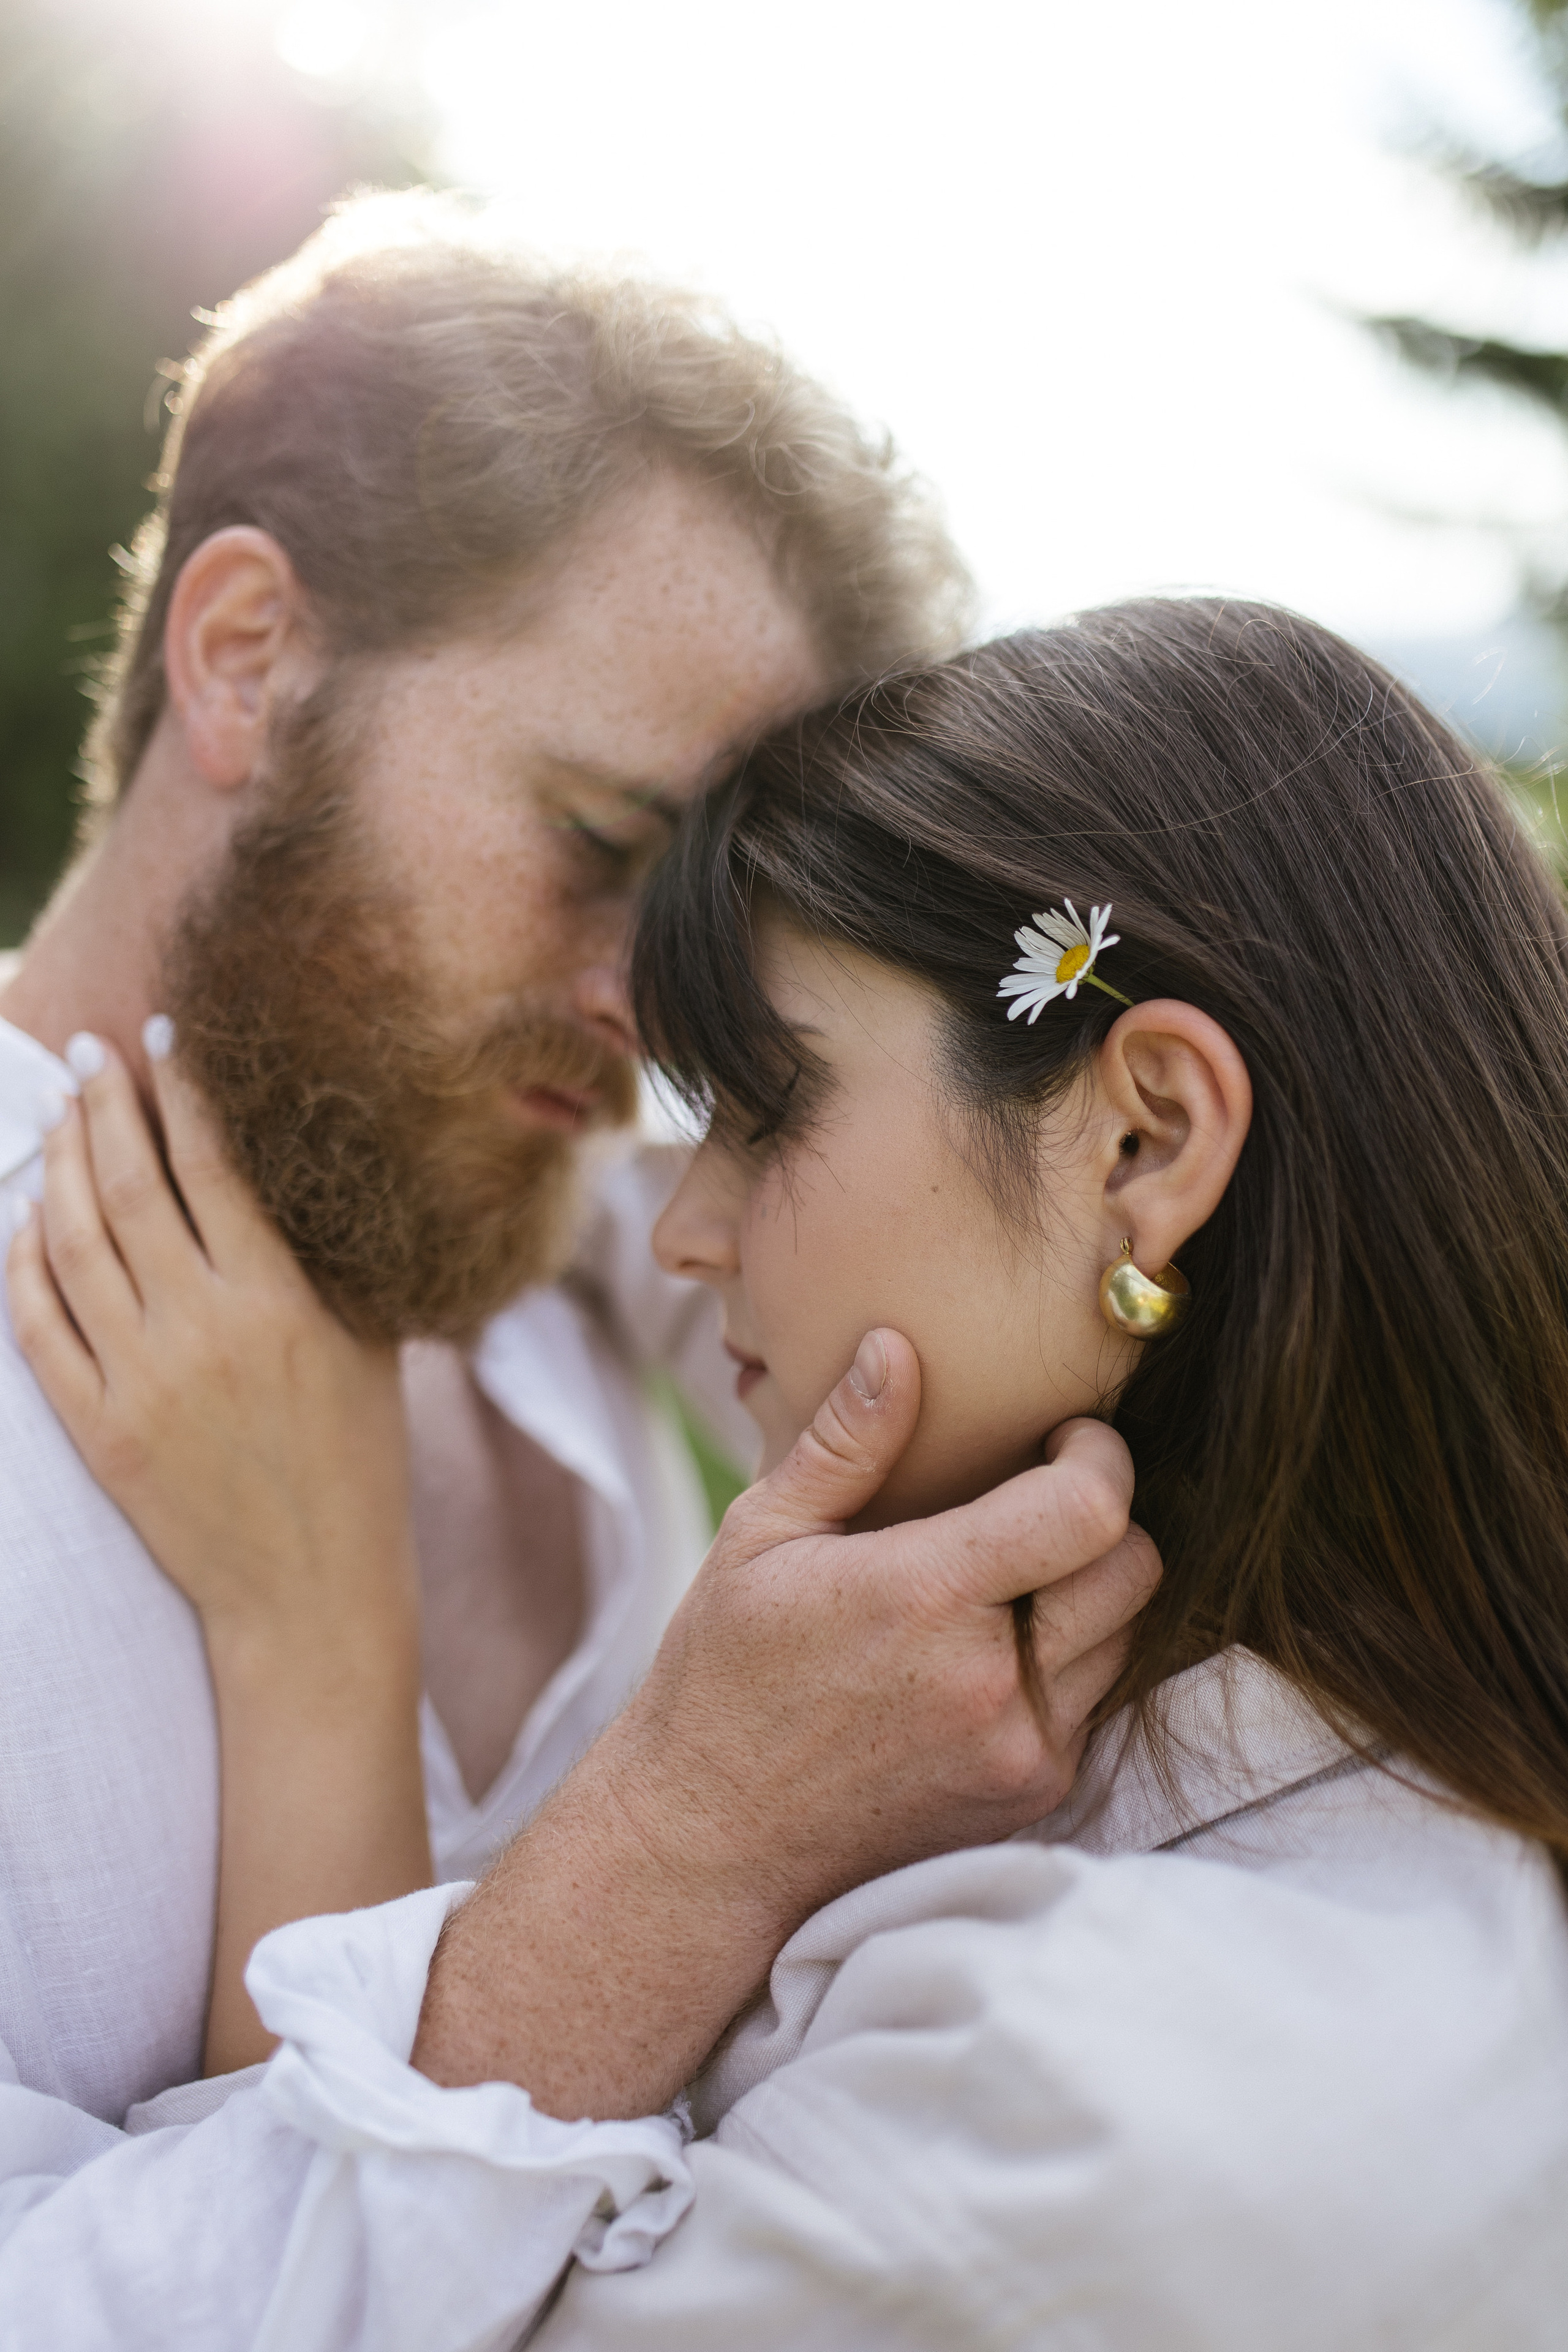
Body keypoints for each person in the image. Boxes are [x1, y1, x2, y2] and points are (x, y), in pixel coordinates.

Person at [17, 596, 1568, 2346]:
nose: (682, 1225)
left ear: (1146, 1141)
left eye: (760, 1112)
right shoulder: (1394, 1784)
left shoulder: (1068, 2125)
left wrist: (606, 1786)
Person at [0, 190, 1150, 2344]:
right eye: (601, 852)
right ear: (248, 658)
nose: (652, 1018)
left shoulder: (573, 1271)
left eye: (717, 940)